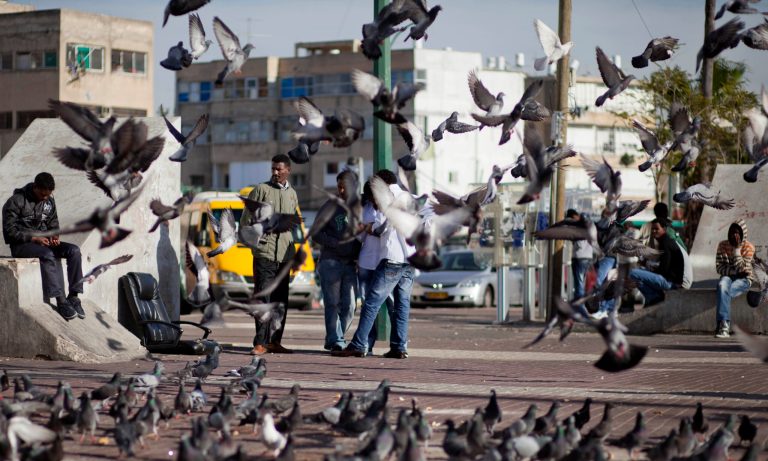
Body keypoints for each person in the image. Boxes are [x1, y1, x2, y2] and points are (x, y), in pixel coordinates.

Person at [334, 169, 415, 359]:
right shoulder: (410, 197)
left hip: (393, 257)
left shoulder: (390, 198)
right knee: (402, 304)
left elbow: (384, 225)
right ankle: (399, 347)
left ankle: (358, 344)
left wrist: (371, 228)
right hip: (410, 258)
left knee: (371, 303)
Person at [2, 172, 84, 320]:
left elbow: (53, 225)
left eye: (48, 195)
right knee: (47, 255)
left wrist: (54, 237)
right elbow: (10, 232)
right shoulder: (15, 201)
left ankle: (74, 296)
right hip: (22, 245)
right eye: (42, 195)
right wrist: (34, 238)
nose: (45, 198)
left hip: (44, 243)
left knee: (74, 251)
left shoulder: (49, 202)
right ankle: (61, 301)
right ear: (35, 187)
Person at [240, 154, 299, 355]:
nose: (275, 173)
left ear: (288, 170)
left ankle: (275, 341)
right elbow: (245, 223)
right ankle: (260, 342)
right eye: (273, 169)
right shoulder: (261, 190)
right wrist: (256, 244)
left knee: (281, 301)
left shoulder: (293, 194)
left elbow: (294, 225)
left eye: (279, 169)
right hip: (264, 255)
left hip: (284, 256)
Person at [313, 170, 361, 352]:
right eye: (339, 186)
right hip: (330, 262)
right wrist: (334, 243)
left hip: (350, 263)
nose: (341, 190)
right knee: (332, 303)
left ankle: (334, 336)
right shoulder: (330, 206)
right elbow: (316, 233)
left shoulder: (360, 207)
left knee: (349, 305)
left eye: (345, 186)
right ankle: (336, 340)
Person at [357, 180, 392, 356]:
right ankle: (366, 344)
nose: (373, 200)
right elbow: (361, 234)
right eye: (370, 196)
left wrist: (371, 228)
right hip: (366, 262)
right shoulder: (366, 208)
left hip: (386, 262)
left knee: (392, 304)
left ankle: (397, 345)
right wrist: (366, 229)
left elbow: (385, 231)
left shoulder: (391, 206)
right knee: (367, 305)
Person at [628, 218, 684, 308]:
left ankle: (654, 297)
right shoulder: (664, 241)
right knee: (640, 272)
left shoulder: (666, 243)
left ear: (664, 229)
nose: (654, 231)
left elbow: (664, 269)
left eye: (657, 229)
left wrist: (651, 271)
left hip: (670, 283)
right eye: (652, 229)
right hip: (669, 280)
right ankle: (653, 297)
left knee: (632, 273)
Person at [714, 220, 755, 338]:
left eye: (737, 233)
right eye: (731, 232)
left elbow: (744, 270)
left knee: (724, 292)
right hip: (728, 276)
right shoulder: (722, 245)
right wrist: (734, 272)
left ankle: (721, 325)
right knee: (722, 286)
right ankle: (724, 325)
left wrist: (737, 249)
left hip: (745, 280)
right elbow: (719, 268)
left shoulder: (749, 247)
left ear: (743, 234)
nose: (734, 235)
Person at [566, 209, 593, 317]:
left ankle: (580, 311)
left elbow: (579, 244)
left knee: (579, 286)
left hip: (579, 257)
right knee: (582, 284)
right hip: (588, 257)